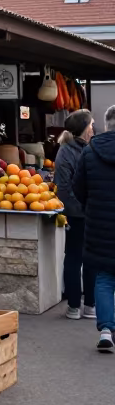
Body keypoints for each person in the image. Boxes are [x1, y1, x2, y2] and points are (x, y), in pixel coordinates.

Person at [72, 104, 115, 353]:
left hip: (99, 225)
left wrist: (92, 206)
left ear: (105, 124)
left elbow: (78, 187)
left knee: (105, 277)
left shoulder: (89, 152)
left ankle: (106, 331)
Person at [54, 109, 96, 319]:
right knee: (75, 257)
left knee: (87, 259)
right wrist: (82, 210)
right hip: (78, 214)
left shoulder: (84, 148)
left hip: (87, 212)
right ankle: (74, 305)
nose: (93, 128)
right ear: (83, 129)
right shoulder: (67, 151)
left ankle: (89, 305)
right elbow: (64, 188)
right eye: (91, 124)